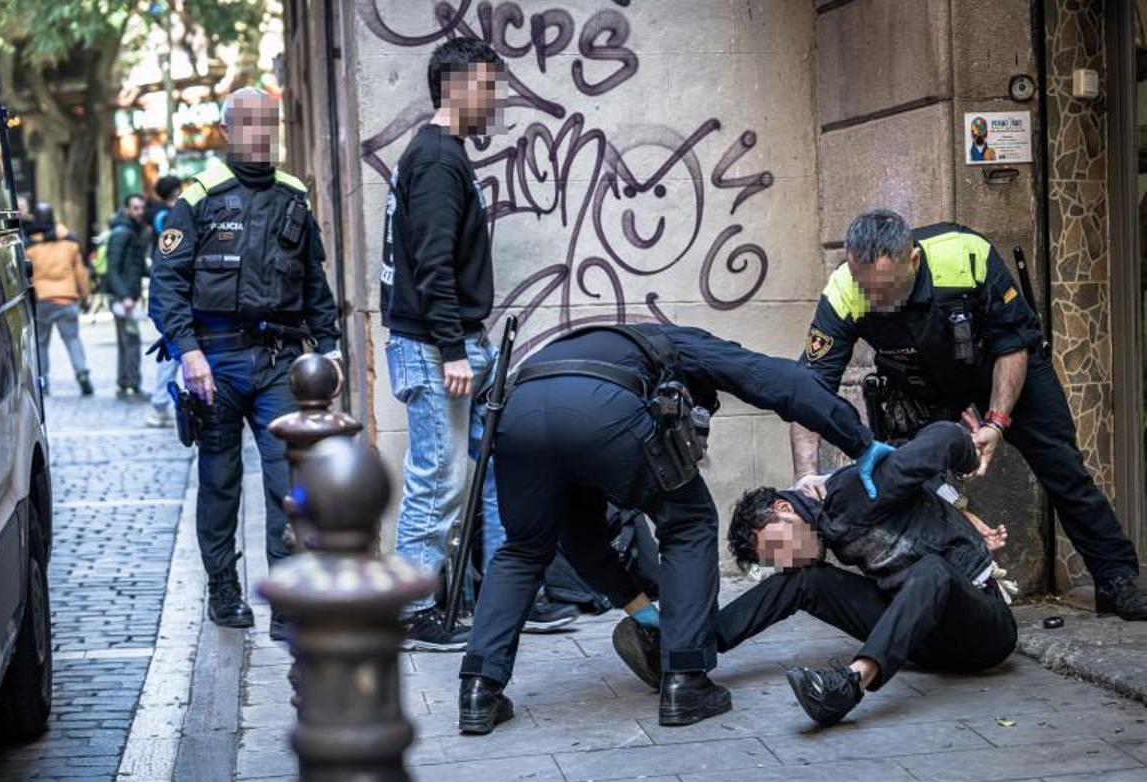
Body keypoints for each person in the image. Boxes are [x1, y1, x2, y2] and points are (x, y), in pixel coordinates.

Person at [457, 323, 894, 734]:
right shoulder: (681, 345)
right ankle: (686, 680)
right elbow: (780, 380)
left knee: (522, 550)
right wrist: (859, 441)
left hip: (517, 414)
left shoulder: (612, 347)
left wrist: (639, 607)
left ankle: (479, 691)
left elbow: (580, 539)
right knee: (689, 522)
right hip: (603, 408)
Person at [790, 209, 1147, 619]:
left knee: (1063, 467)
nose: (875, 301)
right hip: (917, 381)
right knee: (905, 483)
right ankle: (924, 598)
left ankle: (1115, 579)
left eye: (885, 290)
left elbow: (1013, 343)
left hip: (997, 363)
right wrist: (805, 475)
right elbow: (808, 392)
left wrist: (996, 421)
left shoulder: (965, 255)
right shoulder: (843, 289)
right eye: (865, 288)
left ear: (914, 261)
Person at [614, 422, 1017, 727]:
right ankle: (684, 650)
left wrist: (970, 461)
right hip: (918, 637)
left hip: (982, 629)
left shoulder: (858, 491)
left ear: (784, 510)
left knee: (931, 570)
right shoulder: (821, 515)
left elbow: (945, 437)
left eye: (775, 549)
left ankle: (851, 684)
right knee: (807, 579)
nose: (781, 561)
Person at [381, 37, 577, 651]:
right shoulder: (437, 160)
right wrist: (452, 351)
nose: (494, 98)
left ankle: (504, 594)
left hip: (456, 341)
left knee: (498, 466)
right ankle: (411, 610)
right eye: (487, 86)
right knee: (437, 480)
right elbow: (432, 264)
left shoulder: (443, 154)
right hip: (438, 346)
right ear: (457, 86)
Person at [149, 87, 341, 641]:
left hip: (279, 361)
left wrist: (328, 349)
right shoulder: (200, 198)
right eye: (249, 123)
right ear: (228, 132)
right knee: (220, 481)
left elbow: (314, 284)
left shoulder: (293, 196)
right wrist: (188, 352)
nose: (261, 133)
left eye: (269, 123)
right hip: (216, 362)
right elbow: (166, 285)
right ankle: (224, 589)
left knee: (289, 483)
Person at [26, 202, 93, 396]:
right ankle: (82, 374)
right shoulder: (70, 242)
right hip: (67, 298)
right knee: (72, 339)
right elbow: (80, 272)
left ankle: (44, 380)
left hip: (42, 300)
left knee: (41, 343)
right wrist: (86, 296)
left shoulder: (29, 245)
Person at [145, 176, 184, 428]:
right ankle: (160, 404)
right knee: (173, 351)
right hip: (174, 291)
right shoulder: (165, 217)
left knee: (174, 351)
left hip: (171, 290)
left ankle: (161, 404)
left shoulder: (164, 215)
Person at [106, 193, 149, 400]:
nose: (139, 212)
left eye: (141, 208)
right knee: (131, 342)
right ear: (126, 209)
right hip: (124, 299)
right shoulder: (123, 232)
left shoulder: (132, 231)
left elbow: (136, 266)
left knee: (126, 342)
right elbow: (112, 269)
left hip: (126, 296)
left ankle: (124, 384)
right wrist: (125, 296)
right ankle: (132, 385)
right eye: (135, 208)